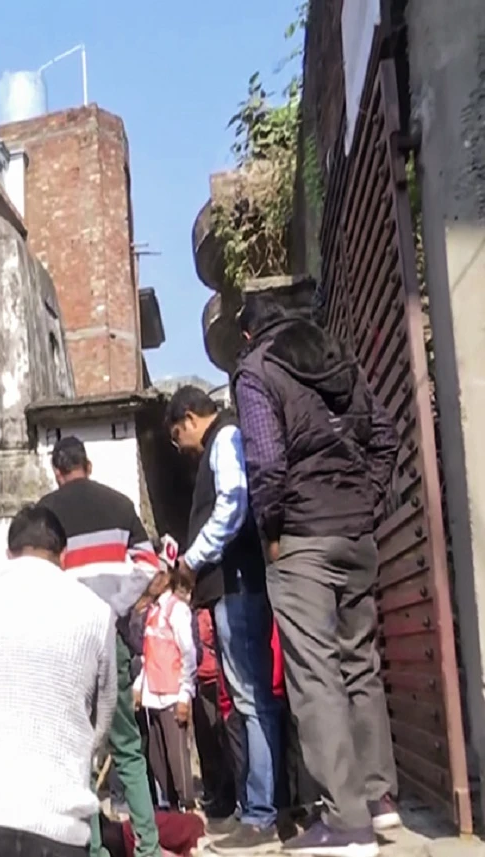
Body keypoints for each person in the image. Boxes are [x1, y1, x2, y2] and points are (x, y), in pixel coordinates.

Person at [233, 294, 400, 856]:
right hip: (357, 536)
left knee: (316, 675)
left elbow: (266, 462)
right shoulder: (338, 358)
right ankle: (380, 803)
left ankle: (345, 824)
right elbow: (385, 438)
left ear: (251, 336)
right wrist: (366, 504)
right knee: (361, 666)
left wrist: (274, 532)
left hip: (302, 538)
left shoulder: (256, 371)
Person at [0, 504, 116, 857]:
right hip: (57, 828)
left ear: (9, 554)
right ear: (63, 555)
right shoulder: (96, 612)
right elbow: (104, 712)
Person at [165, 384, 280, 850]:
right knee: (247, 696)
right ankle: (258, 807)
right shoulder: (222, 442)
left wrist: (192, 560)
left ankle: (261, 813)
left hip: (237, 583)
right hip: (231, 586)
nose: (179, 447)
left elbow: (233, 504)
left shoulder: (226, 439)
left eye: (177, 435)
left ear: (190, 418)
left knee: (251, 699)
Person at [38, 436, 162, 857]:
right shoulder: (121, 504)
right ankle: (148, 845)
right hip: (112, 638)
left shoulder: (46, 513)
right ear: (87, 465)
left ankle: (93, 848)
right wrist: (116, 604)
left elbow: (36, 573)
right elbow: (150, 564)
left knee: (79, 752)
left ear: (57, 470)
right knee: (128, 746)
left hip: (70, 645)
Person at [134, 565, 197, 813]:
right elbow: (147, 654)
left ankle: (187, 807)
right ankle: (170, 809)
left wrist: (185, 694)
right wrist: (140, 686)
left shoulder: (176, 609)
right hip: (152, 695)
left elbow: (188, 653)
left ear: (167, 577)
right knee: (157, 757)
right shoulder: (152, 611)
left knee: (177, 757)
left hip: (172, 694)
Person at [192, 608, 236, 825]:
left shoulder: (211, 613)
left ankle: (227, 796)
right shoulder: (195, 612)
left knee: (222, 739)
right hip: (199, 680)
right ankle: (214, 792)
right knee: (206, 743)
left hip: (216, 678)